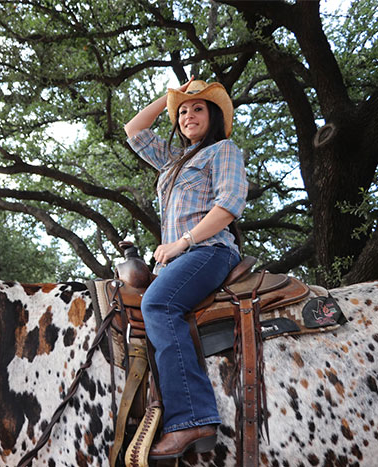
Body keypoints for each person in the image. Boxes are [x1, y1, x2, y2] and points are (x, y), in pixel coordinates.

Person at [123, 77, 248, 460]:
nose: (189, 115)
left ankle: (192, 418)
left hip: (209, 251)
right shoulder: (175, 161)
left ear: (214, 116)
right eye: (183, 111)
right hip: (180, 260)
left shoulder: (224, 150)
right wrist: (170, 98)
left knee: (159, 306)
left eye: (198, 108)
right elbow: (134, 130)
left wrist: (182, 242)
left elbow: (228, 205)